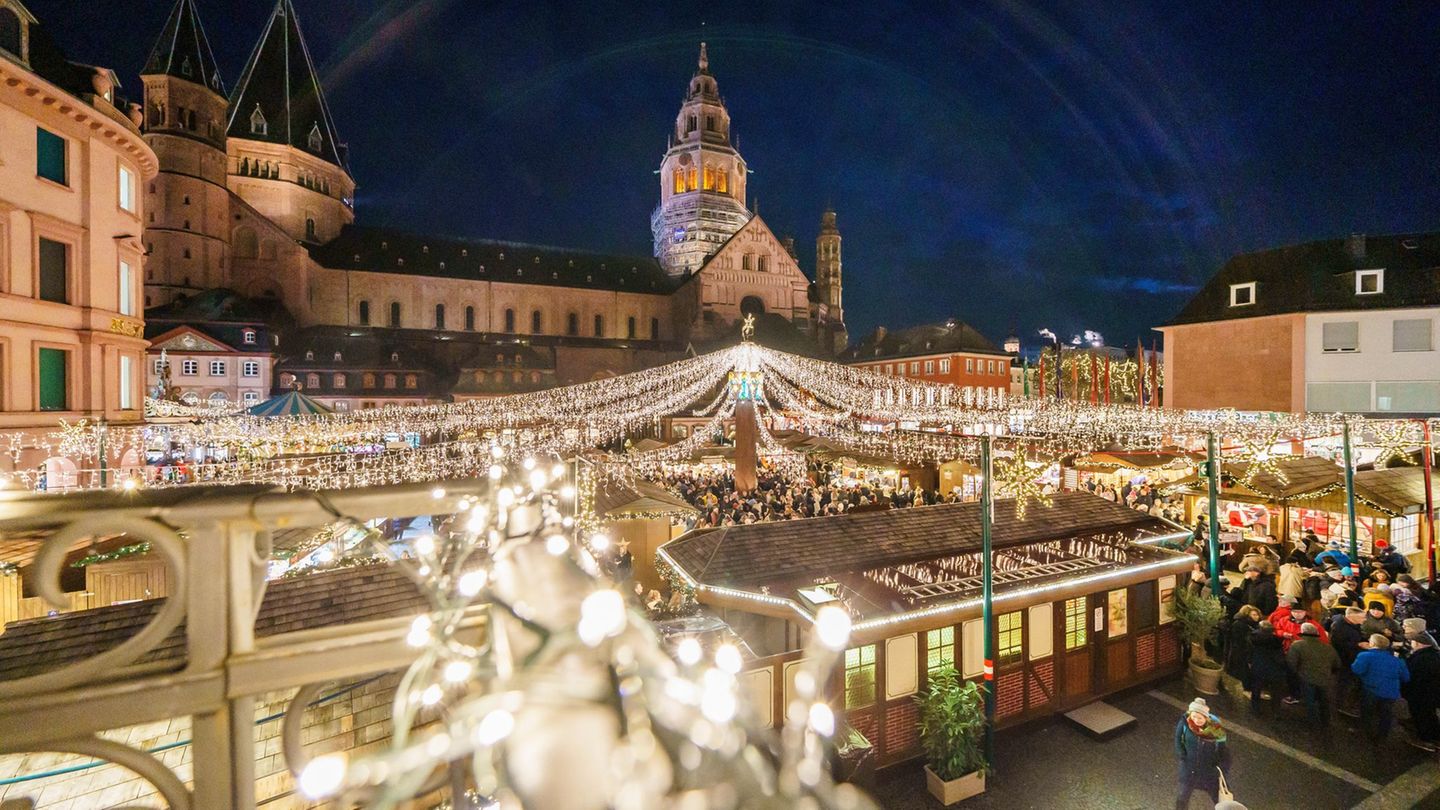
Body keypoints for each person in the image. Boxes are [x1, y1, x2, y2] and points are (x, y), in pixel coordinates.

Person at [1174, 697, 1231, 810]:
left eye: (1200, 718)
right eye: (1194, 716)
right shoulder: (1185, 722)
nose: (1196, 720)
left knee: (1218, 798)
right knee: (1182, 796)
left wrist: (1220, 770)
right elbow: (1178, 738)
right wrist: (1182, 754)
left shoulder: (1215, 728)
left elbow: (1224, 753)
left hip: (1208, 771)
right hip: (1189, 769)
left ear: (1206, 717)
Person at [1352, 634, 1409, 743]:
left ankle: (1367, 733)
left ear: (1372, 644)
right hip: (1390, 692)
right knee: (1386, 714)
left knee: (1368, 712)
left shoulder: (1365, 656)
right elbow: (1406, 677)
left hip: (1371, 690)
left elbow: (1357, 670)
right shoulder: (1398, 660)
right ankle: (1382, 736)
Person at [1286, 622, 1339, 730]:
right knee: (1324, 701)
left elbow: (1291, 663)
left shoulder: (1297, 645)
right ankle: (1326, 722)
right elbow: (1337, 664)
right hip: (1324, 678)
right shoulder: (1327, 647)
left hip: (1306, 678)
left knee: (1310, 701)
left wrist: (1296, 674)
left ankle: (1312, 723)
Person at [1402, 629, 1440, 752]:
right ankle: (1436, 736)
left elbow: (1411, 677)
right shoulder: (1434, 654)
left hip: (1420, 694)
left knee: (1420, 717)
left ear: (1419, 643)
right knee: (1430, 715)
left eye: (1412, 641)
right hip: (1432, 694)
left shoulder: (1420, 659)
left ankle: (1424, 739)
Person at [1330, 606, 1367, 718]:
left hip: (1351, 657)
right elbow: (1338, 644)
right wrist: (1358, 645)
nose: (1364, 620)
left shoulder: (1352, 625)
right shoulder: (1340, 627)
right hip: (1345, 660)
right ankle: (1341, 705)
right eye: (1362, 617)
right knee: (1344, 683)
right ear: (1351, 617)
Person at [1249, 621, 1287, 715]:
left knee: (1256, 688)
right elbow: (1280, 655)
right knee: (1275, 691)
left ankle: (1255, 708)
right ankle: (1276, 711)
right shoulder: (1277, 640)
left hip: (1259, 666)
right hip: (1274, 668)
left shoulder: (1254, 638)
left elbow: (1249, 652)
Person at [1225, 606, 1261, 689]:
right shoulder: (1240, 625)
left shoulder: (1253, 625)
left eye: (1257, 615)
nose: (1257, 617)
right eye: (1254, 615)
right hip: (1242, 652)